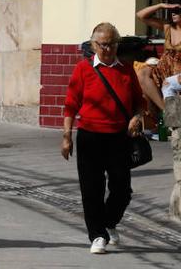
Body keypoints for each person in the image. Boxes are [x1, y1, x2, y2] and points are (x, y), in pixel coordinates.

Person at [61, 22, 145, 255]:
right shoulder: (83, 69)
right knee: (92, 190)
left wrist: (136, 117)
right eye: (102, 44)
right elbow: (70, 105)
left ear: (117, 44)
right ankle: (97, 235)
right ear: (93, 45)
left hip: (119, 137)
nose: (107, 49)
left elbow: (139, 101)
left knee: (122, 189)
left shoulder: (126, 70)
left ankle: (108, 222)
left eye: (112, 44)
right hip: (89, 137)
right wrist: (67, 136)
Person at [134, 0, 181, 128]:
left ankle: (172, 117)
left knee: (171, 83)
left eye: (177, 11)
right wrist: (161, 5)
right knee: (142, 73)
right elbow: (140, 15)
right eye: (171, 11)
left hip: (178, 71)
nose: (173, 13)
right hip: (164, 68)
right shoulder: (167, 27)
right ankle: (167, 111)